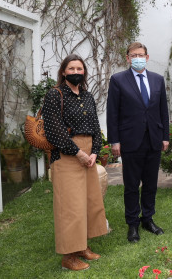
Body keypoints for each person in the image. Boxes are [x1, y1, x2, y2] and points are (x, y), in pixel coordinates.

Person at [42, 54, 108, 271]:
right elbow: (54, 131)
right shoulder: (55, 95)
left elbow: (95, 127)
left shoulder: (88, 96)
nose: (76, 72)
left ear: (84, 72)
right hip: (67, 156)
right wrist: (78, 153)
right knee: (70, 207)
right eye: (71, 69)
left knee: (87, 202)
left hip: (88, 156)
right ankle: (68, 256)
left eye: (80, 69)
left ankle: (81, 246)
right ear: (63, 72)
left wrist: (95, 152)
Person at [106, 42, 169, 242]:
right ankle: (132, 223)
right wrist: (114, 141)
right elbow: (112, 112)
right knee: (132, 185)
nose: (137, 58)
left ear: (147, 57)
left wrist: (165, 136)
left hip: (154, 140)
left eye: (141, 55)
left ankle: (147, 219)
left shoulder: (158, 80)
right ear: (127, 58)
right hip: (130, 141)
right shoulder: (118, 80)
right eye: (133, 55)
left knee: (151, 184)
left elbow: (163, 112)